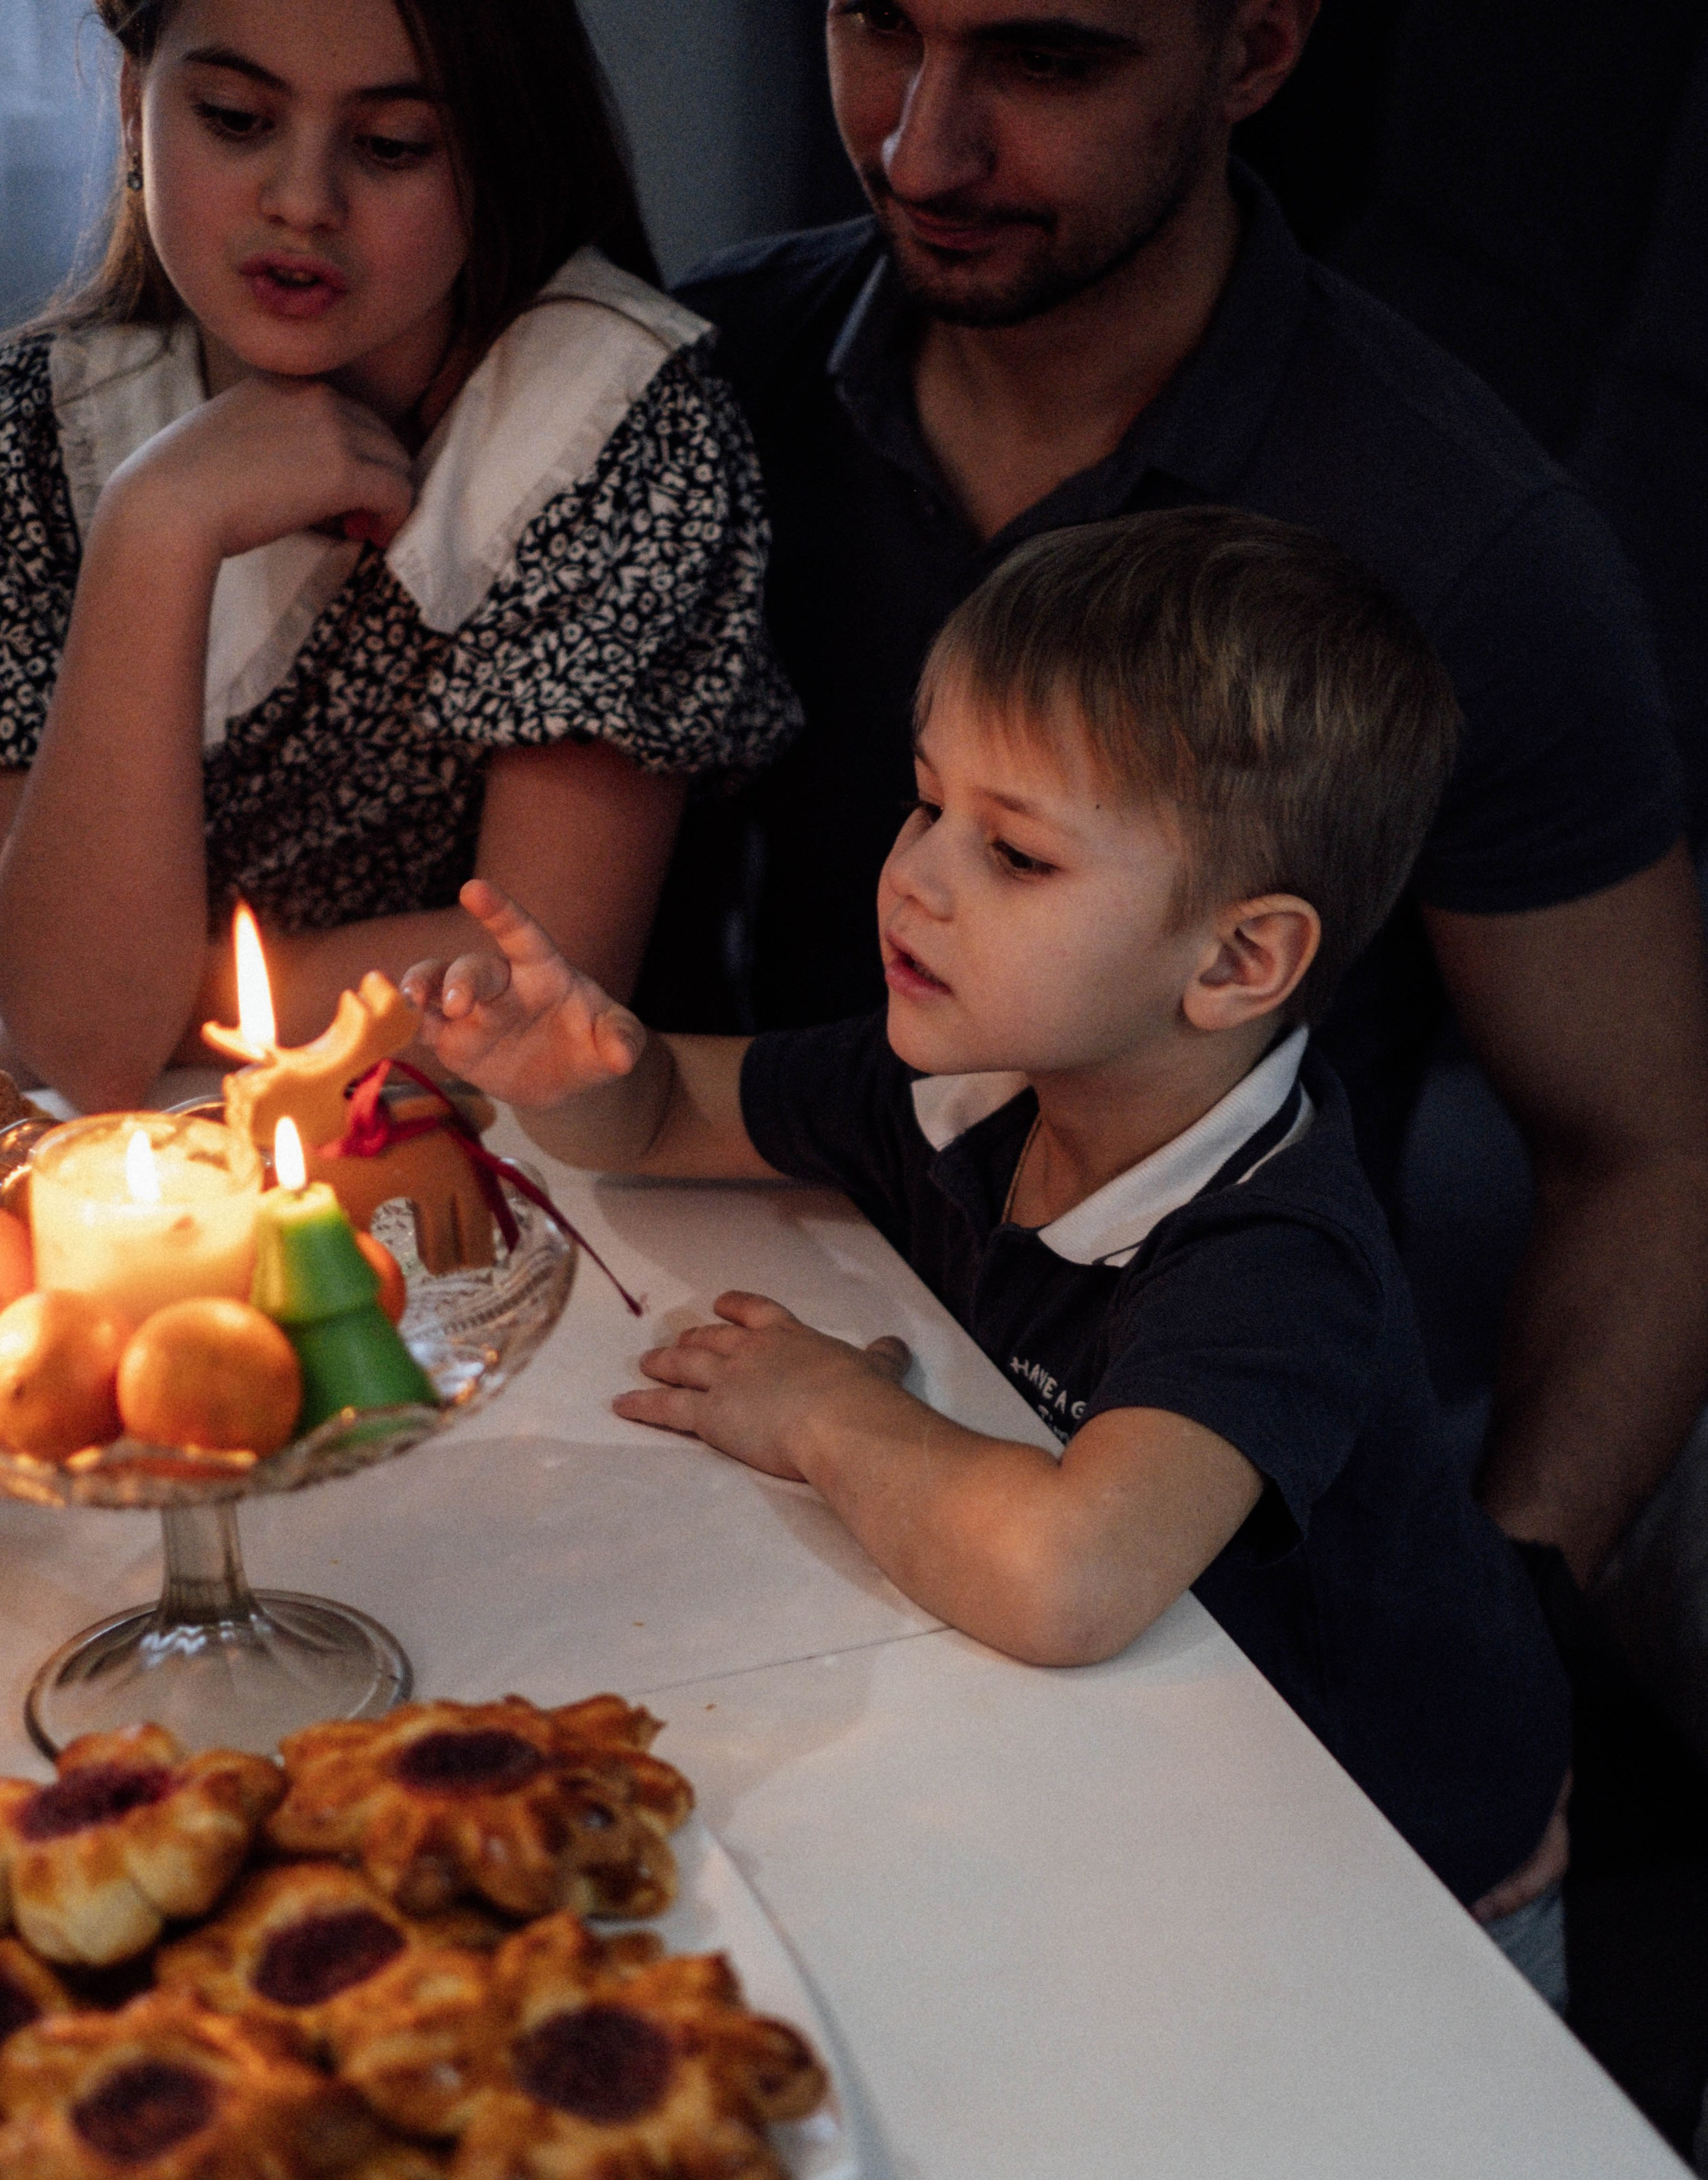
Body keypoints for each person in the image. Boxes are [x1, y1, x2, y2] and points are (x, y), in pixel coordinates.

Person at [404, 509, 1575, 1996]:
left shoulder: (1269, 1254)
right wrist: (578, 1074)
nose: (918, 879)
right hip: (1145, 1774)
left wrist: (828, 1412)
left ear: (1232, 963)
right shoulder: (974, 1078)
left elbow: (1067, 1580)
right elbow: (668, 1115)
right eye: (922, 805)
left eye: (1014, 854)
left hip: (1390, 1873)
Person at [653, 0, 1708, 1634]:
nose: (918, 147)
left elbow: (1647, 1152)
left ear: (1258, 51)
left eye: (1048, 62)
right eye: (873, 24)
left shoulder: (1462, 544)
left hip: (1170, 1488)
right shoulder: (701, 370)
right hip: (753, 1343)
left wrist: (1509, 1643)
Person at [0, 0, 797, 1111]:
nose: (302, 202)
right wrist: (157, 529)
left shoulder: (606, 423)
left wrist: (147, 980)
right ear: (137, 106)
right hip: (143, 1175)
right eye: (234, 119)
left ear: (495, 151)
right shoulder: (43, 431)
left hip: (506, 1165)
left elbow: (541, 984)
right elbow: (78, 1046)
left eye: (391, 147)